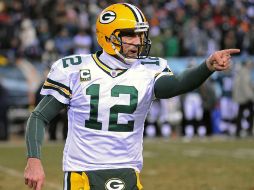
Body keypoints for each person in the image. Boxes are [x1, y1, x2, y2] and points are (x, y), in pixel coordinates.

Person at [24, 3, 240, 190]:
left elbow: (176, 85)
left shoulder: (148, 69)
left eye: (140, 34)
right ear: (108, 37)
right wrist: (33, 160)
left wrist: (207, 66)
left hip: (128, 169)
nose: (137, 41)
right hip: (82, 171)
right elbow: (39, 116)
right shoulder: (73, 69)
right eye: (130, 34)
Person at [233, 60, 254, 137]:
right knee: (249, 114)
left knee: (240, 114)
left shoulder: (240, 72)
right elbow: (245, 87)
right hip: (245, 98)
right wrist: (251, 97)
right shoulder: (245, 73)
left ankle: (238, 131)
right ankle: (248, 130)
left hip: (240, 98)